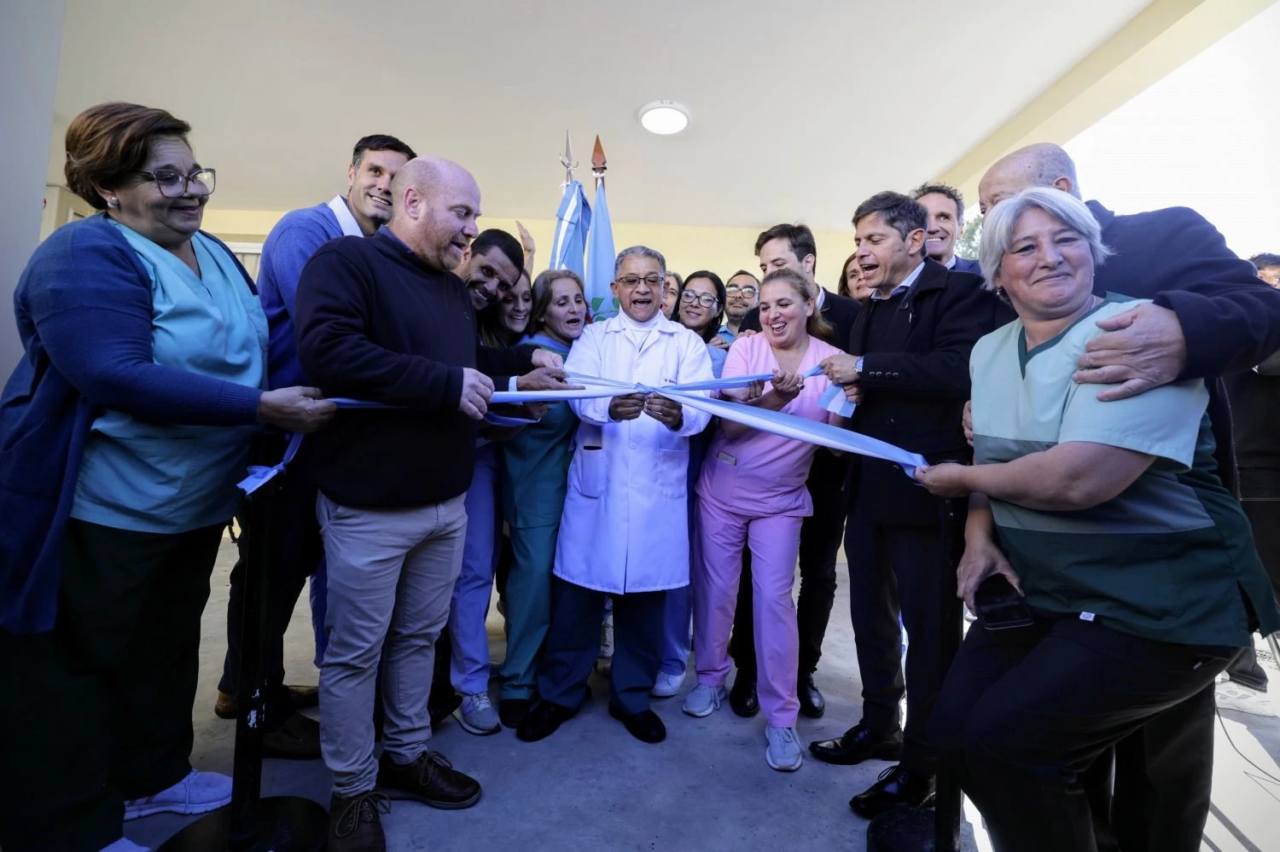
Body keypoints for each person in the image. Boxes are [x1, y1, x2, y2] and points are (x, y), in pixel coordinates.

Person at [0, 102, 335, 852]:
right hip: (104, 507)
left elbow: (248, 348)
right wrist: (260, 407)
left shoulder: (211, 250)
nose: (191, 191)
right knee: (75, 665)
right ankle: (66, 826)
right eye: (165, 178)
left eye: (195, 173)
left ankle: (151, 776)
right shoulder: (84, 253)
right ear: (108, 188)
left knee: (165, 647)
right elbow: (112, 373)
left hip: (194, 502)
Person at [917, 186, 1280, 851]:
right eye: (1025, 247)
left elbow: (1078, 480)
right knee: (953, 736)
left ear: (1094, 250)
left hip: (1160, 610)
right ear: (997, 274)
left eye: (1068, 240)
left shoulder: (1134, 331)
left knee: (1012, 750)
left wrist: (957, 480)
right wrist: (978, 535)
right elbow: (995, 453)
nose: (1050, 257)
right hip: (1051, 593)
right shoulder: (990, 351)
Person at [294, 156, 568, 850]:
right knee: (355, 654)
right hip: (369, 508)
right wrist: (444, 385)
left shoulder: (448, 290)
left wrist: (524, 363)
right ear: (412, 201)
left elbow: (468, 358)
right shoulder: (346, 263)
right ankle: (352, 789)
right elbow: (329, 353)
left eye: (475, 216)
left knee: (419, 640)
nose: (472, 231)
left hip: (446, 506)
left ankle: (408, 753)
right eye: (463, 214)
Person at [215, 133, 416, 758]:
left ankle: (245, 686)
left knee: (290, 567)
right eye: (375, 171)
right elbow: (333, 331)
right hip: (283, 434)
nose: (384, 185)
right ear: (351, 173)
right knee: (270, 573)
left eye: (397, 178)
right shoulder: (307, 230)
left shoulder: (374, 248)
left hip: (327, 434)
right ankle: (259, 709)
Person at [812, 191, 1010, 819]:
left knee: (929, 638)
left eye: (873, 239)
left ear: (915, 240)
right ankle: (879, 726)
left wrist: (865, 368)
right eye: (858, 241)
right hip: (868, 491)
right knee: (869, 620)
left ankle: (921, 765)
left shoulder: (961, 294)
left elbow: (956, 370)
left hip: (930, 493)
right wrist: (849, 392)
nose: (861, 252)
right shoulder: (872, 307)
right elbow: (860, 382)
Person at [517, 246, 714, 745]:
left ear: (665, 287)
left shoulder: (686, 344)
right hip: (598, 489)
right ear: (615, 288)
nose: (642, 289)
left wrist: (682, 416)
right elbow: (578, 392)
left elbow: (704, 405)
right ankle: (560, 694)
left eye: (652, 280)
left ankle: (632, 699)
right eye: (631, 280)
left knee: (645, 603)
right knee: (578, 599)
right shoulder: (594, 337)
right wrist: (607, 407)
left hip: (655, 491)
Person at [683, 268, 844, 771]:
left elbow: (837, 442)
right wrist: (775, 398)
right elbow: (729, 429)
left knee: (774, 602)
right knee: (717, 591)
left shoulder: (832, 362)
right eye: (766, 306)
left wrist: (851, 400)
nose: (773, 314)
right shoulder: (746, 349)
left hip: (782, 499)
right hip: (724, 490)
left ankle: (781, 718)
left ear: (809, 306)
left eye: (784, 304)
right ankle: (710, 679)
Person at [734, 223, 860, 718]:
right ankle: (749, 668)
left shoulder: (854, 314)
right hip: (763, 473)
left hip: (826, 471)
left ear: (808, 265)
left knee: (819, 574)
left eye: (778, 265)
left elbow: (857, 385)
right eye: (764, 267)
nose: (769, 277)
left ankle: (802, 670)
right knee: (759, 577)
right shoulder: (757, 319)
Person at [447, 243, 535, 737]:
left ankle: (516, 669)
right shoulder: (463, 318)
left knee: (520, 572)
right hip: (479, 458)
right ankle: (471, 686)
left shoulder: (534, 340)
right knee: (474, 571)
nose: (510, 299)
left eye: (521, 293)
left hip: (524, 467)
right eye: (504, 290)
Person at [499, 269, 588, 727]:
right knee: (531, 587)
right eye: (561, 301)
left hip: (573, 490)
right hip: (535, 486)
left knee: (565, 589)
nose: (573, 309)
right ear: (541, 312)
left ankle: (556, 675)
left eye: (578, 300)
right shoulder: (531, 357)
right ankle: (517, 682)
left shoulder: (586, 351)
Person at [649, 270, 731, 700]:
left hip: (696, 468)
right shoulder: (656, 341)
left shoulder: (723, 355)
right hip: (647, 464)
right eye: (689, 295)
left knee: (681, 567)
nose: (695, 303)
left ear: (719, 310)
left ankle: (673, 656)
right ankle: (643, 651)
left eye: (707, 298)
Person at [1216, 256, 1280, 717]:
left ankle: (1244, 673)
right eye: (1265, 282)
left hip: (1259, 477)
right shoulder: (1242, 327)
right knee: (1239, 583)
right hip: (1249, 477)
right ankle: (1243, 672)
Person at [911, 182, 982, 274]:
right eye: (922, 218)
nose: (932, 228)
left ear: (960, 230)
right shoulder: (895, 280)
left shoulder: (987, 274)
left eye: (943, 217)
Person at [720, 270, 761, 343]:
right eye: (732, 289)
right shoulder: (707, 339)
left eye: (748, 291)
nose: (738, 295)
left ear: (759, 300)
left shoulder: (769, 339)